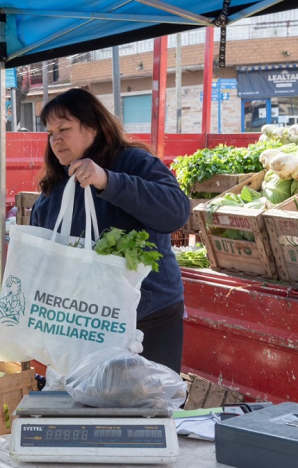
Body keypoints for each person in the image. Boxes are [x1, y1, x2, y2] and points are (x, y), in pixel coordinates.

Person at [30, 88, 190, 374]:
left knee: (149, 406)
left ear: (92, 126)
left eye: (64, 128)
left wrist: (107, 181)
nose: (56, 139)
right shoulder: (57, 185)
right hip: (86, 321)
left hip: (148, 315)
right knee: (95, 409)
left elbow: (175, 211)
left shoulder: (134, 162)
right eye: (50, 132)